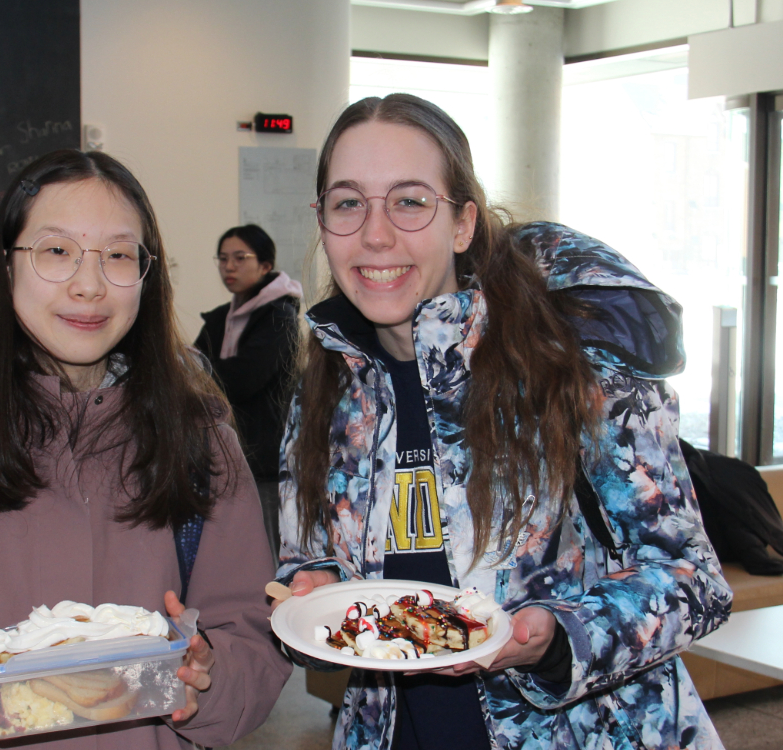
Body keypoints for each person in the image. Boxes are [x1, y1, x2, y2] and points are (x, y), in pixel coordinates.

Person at [274, 94, 733, 749]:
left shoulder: (573, 366)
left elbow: (690, 578)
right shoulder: (323, 387)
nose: (375, 234)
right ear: (322, 221)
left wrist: (553, 639)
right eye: (348, 202)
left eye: (409, 200)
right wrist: (309, 586)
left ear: (462, 224)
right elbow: (308, 559)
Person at [0, 149, 291, 749]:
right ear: (7, 266)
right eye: (57, 251)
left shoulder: (202, 450)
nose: (89, 285)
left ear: (147, 275)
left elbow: (253, 639)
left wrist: (210, 679)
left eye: (118, 255)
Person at [194, 224, 302, 563]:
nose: (229, 267)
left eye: (240, 258)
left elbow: (242, 379)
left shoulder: (279, 317)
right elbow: (186, 372)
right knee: (230, 552)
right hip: (223, 453)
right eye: (223, 259)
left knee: (267, 551)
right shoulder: (219, 319)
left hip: (265, 458)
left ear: (265, 265)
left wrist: (204, 370)